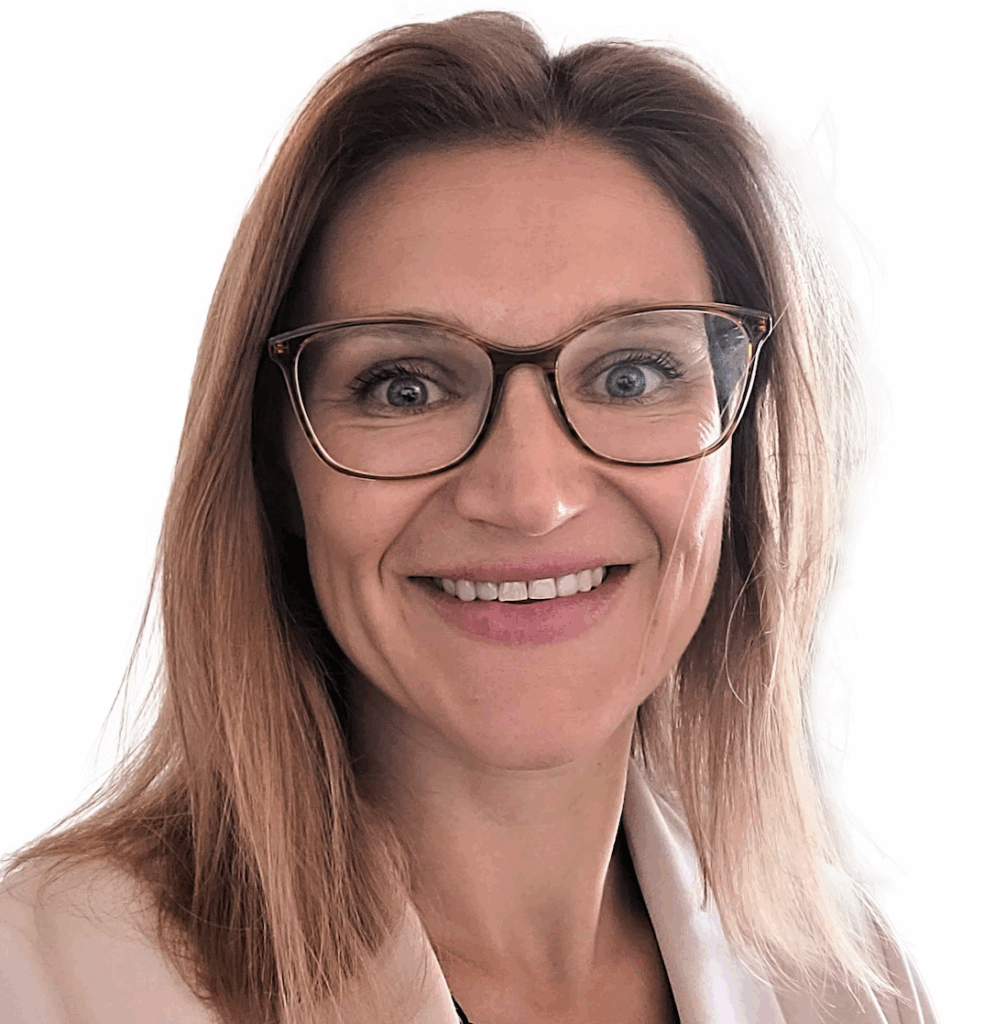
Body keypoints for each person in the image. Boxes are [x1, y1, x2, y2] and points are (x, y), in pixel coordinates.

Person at [0, 11, 937, 1024]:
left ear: (743, 458)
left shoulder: (849, 987)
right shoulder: (48, 980)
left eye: (631, 372)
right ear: (276, 467)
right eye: (405, 386)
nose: (531, 496)